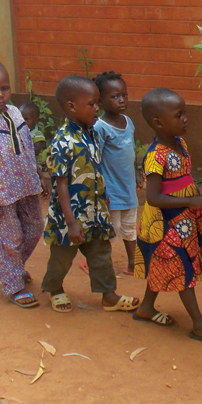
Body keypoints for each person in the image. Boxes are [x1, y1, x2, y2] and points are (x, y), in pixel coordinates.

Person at [133, 88, 202, 344]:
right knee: (180, 267)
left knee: (162, 264)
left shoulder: (180, 144)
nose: (185, 119)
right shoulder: (155, 157)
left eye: (184, 113)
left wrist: (200, 191)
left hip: (184, 218)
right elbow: (153, 197)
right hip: (165, 223)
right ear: (158, 123)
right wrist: (190, 201)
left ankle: (146, 308)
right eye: (179, 115)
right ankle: (199, 324)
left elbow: (184, 178)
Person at [42, 75, 138, 314]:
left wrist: (102, 194)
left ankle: (109, 296)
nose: (97, 108)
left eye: (97, 103)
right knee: (61, 258)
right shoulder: (63, 141)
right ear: (71, 106)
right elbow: (60, 185)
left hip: (94, 212)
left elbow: (96, 167)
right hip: (69, 217)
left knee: (101, 255)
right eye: (92, 104)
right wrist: (71, 223)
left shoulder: (92, 133)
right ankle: (55, 289)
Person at [0, 60, 50, 308]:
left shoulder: (15, 112)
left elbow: (25, 147)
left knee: (35, 228)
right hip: (1, 194)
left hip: (26, 186)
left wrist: (38, 175)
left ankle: (12, 268)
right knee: (10, 238)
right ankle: (14, 285)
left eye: (4, 88)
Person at [92, 71, 141, 275]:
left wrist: (137, 171)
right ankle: (98, 265)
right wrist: (101, 190)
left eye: (124, 95)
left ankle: (133, 263)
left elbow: (131, 152)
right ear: (101, 101)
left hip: (128, 190)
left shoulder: (128, 121)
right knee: (109, 231)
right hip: (110, 192)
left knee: (130, 229)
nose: (121, 100)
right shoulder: (100, 127)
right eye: (114, 96)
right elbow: (95, 159)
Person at [20, 101, 47, 165]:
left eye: (27, 119)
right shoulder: (19, 133)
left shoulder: (37, 134)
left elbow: (37, 150)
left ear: (36, 120)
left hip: (36, 164)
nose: (23, 122)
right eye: (21, 119)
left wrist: (22, 147)